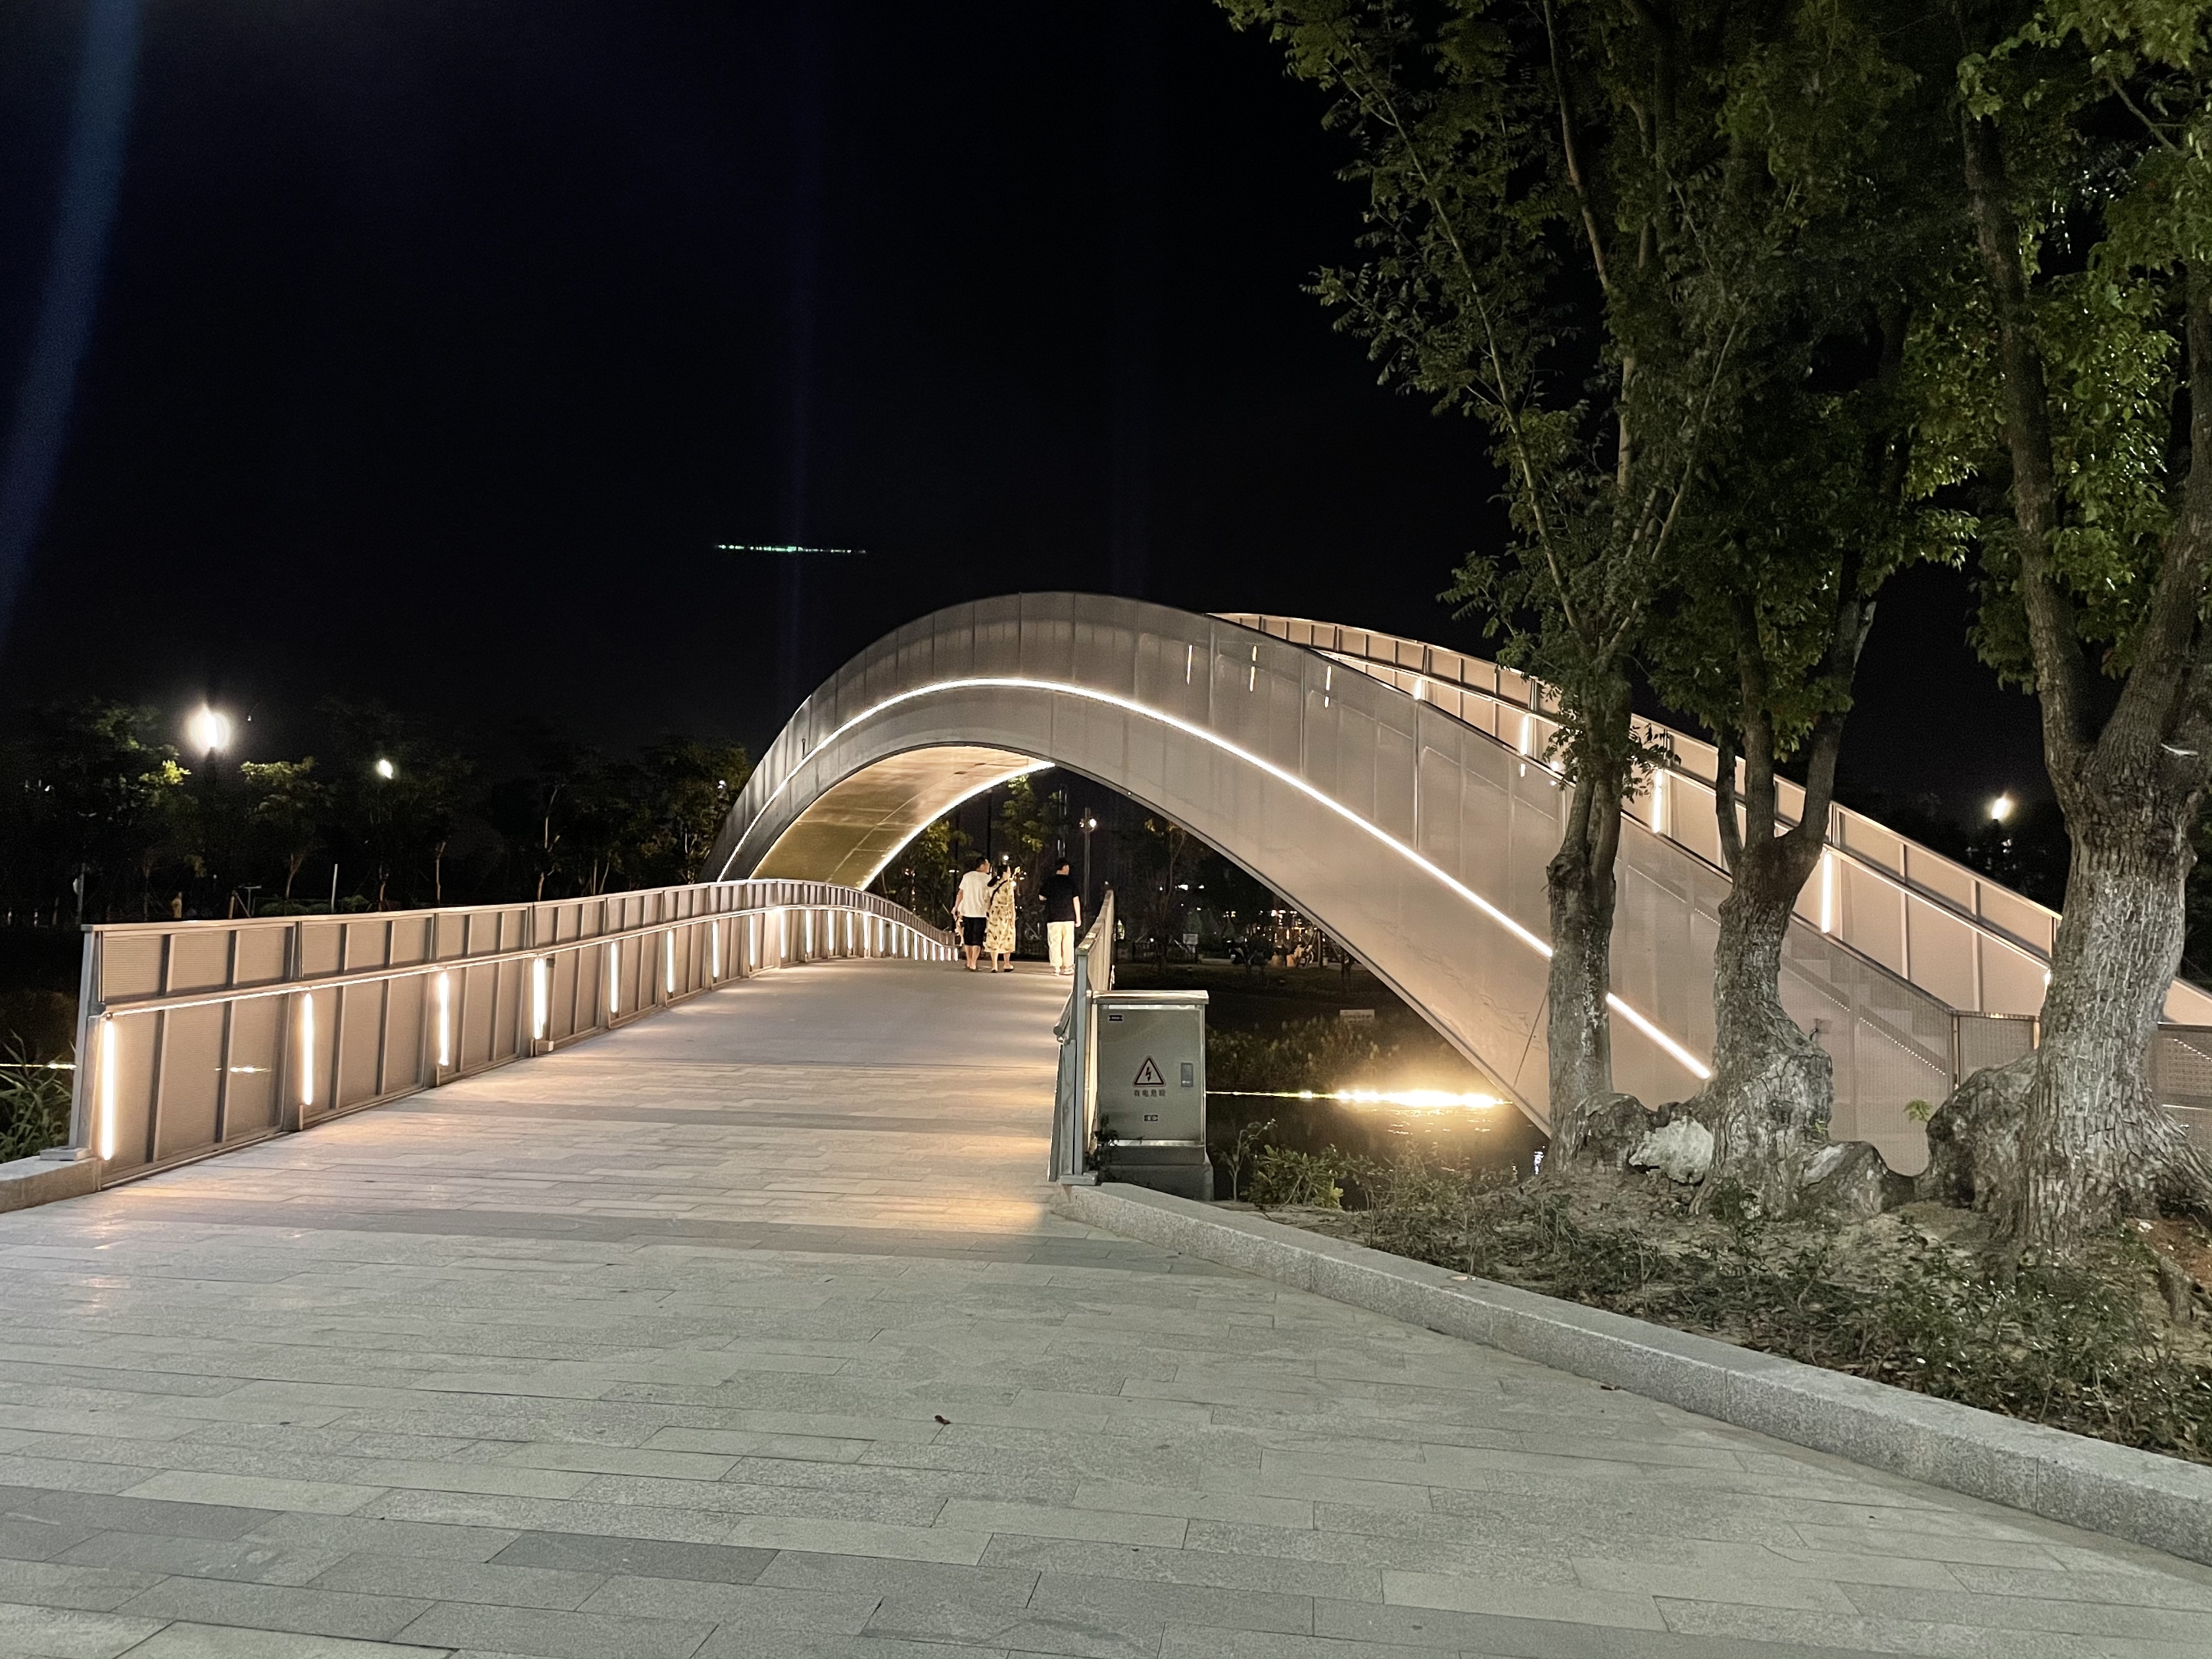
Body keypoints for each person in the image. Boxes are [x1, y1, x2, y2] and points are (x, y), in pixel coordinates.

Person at [1039, 858, 1081, 976]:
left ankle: (1056, 967)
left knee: (1054, 942)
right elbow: (1076, 900)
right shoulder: (1071, 882)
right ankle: (1067, 967)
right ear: (1064, 867)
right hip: (1068, 917)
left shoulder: (1049, 881)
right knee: (1068, 942)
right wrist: (1078, 917)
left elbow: (1041, 897)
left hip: (1053, 916)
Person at [954, 856, 994, 971]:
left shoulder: (967, 876)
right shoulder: (987, 878)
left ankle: (969, 961)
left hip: (967, 911)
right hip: (981, 912)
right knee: (978, 938)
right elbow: (990, 896)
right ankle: (974, 963)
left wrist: (956, 907)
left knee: (968, 937)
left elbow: (961, 893)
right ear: (982, 866)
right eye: (987, 865)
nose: (988, 868)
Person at [984, 864, 1019, 972]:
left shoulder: (991, 884)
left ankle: (994, 965)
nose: (1010, 874)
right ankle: (1006, 963)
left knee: (994, 938)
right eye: (1008, 872)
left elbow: (986, 900)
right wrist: (1013, 916)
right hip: (1005, 913)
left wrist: (989, 911)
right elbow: (1011, 902)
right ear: (1004, 873)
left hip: (994, 913)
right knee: (1007, 936)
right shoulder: (1008, 885)